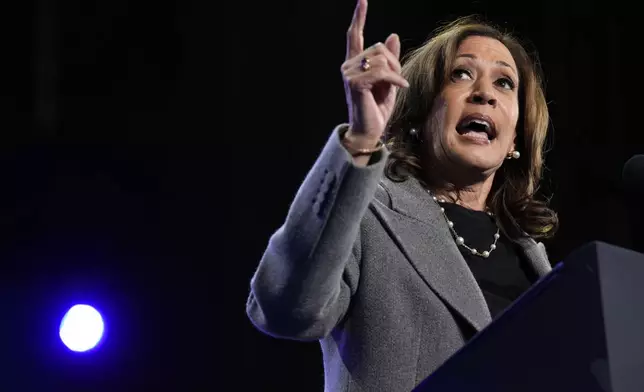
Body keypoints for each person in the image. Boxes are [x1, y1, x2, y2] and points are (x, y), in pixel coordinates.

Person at [246, 0, 559, 390]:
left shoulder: (534, 259)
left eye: (504, 82)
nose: (484, 94)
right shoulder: (366, 214)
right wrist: (362, 138)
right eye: (460, 74)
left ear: (517, 135)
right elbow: (285, 310)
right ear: (422, 113)